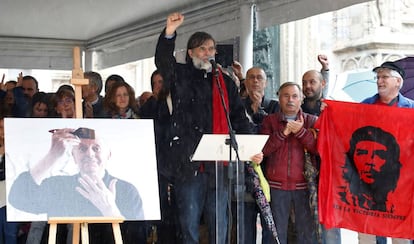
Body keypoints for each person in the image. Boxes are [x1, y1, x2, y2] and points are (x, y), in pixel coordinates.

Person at [154, 12, 260, 244]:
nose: (207, 53)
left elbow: (238, 118)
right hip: (188, 164)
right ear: (190, 53)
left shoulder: (224, 83)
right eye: (202, 49)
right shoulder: (180, 76)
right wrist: (169, 33)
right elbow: (163, 61)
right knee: (189, 225)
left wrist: (251, 147)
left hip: (217, 167)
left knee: (218, 224)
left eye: (211, 49)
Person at [8, 127, 144, 220]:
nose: (90, 154)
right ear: (74, 156)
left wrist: (110, 210)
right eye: (82, 149)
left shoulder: (127, 191)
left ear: (109, 155)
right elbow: (18, 198)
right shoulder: (57, 186)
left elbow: (138, 237)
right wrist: (52, 155)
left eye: (96, 148)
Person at [358, 61, 413, 244]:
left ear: (398, 82)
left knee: (400, 236)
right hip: (370, 181)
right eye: (378, 77)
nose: (379, 81)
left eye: (384, 77)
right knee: (369, 232)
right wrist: (330, 111)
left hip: (401, 182)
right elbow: (348, 127)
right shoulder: (365, 106)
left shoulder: (411, 109)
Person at [260, 82, 318, 244]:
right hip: (276, 187)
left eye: (294, 96)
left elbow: (318, 150)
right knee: (275, 235)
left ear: (301, 99)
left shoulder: (312, 121)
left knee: (306, 235)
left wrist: (300, 132)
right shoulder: (270, 121)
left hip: (304, 187)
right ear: (279, 98)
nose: (290, 100)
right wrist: (283, 133)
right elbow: (264, 150)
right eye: (286, 96)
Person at [301, 55, 341, 244]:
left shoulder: (330, 108)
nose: (308, 86)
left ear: (322, 83)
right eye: (305, 83)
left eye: (313, 82)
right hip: (303, 178)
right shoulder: (297, 109)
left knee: (330, 228)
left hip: (328, 178)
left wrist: (325, 68)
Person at [236, 66, 279, 244]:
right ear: (245, 82)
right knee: (245, 229)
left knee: (269, 227)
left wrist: (259, 111)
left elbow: (273, 135)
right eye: (251, 78)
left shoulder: (275, 105)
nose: (255, 81)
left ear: (265, 82)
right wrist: (251, 109)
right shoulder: (237, 107)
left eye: (259, 78)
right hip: (244, 177)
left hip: (270, 173)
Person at [339, 126, 401, 212]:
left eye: (380, 155)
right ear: (351, 156)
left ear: (390, 162)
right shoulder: (339, 197)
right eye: (362, 153)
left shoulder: (398, 203)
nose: (370, 161)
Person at [0, 116, 20, 244]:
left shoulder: (19, 149)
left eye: (6, 127)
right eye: (0, 127)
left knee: (10, 235)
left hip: (12, 199)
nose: (3, 131)